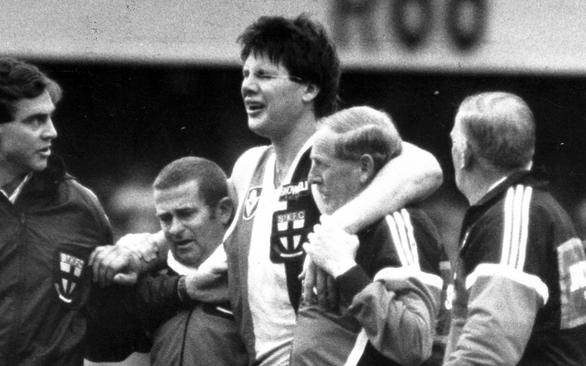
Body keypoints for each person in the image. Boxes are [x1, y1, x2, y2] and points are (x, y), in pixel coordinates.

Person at [91, 14, 443, 366]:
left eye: (263, 75)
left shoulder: (340, 162)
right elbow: (205, 218)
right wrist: (145, 247)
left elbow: (425, 167)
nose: (247, 85)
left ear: (309, 88)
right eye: (245, 74)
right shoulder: (250, 167)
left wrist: (338, 228)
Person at [0, 57, 141, 366]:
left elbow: (107, 340)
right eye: (36, 120)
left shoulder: (81, 207)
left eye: (50, 118)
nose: (52, 132)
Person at [290, 106, 443, 366]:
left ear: (364, 168)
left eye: (321, 165)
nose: (312, 178)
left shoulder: (400, 225)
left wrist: (344, 268)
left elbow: (414, 343)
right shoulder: (346, 222)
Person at [444, 91, 586, 365]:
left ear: (463, 153)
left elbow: (485, 355)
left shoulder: (512, 219)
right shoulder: (532, 208)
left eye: (452, 141)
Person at [129, 156, 247, 365]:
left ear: (223, 211)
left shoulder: (248, 273)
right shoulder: (151, 280)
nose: (174, 229)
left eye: (186, 214)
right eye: (165, 218)